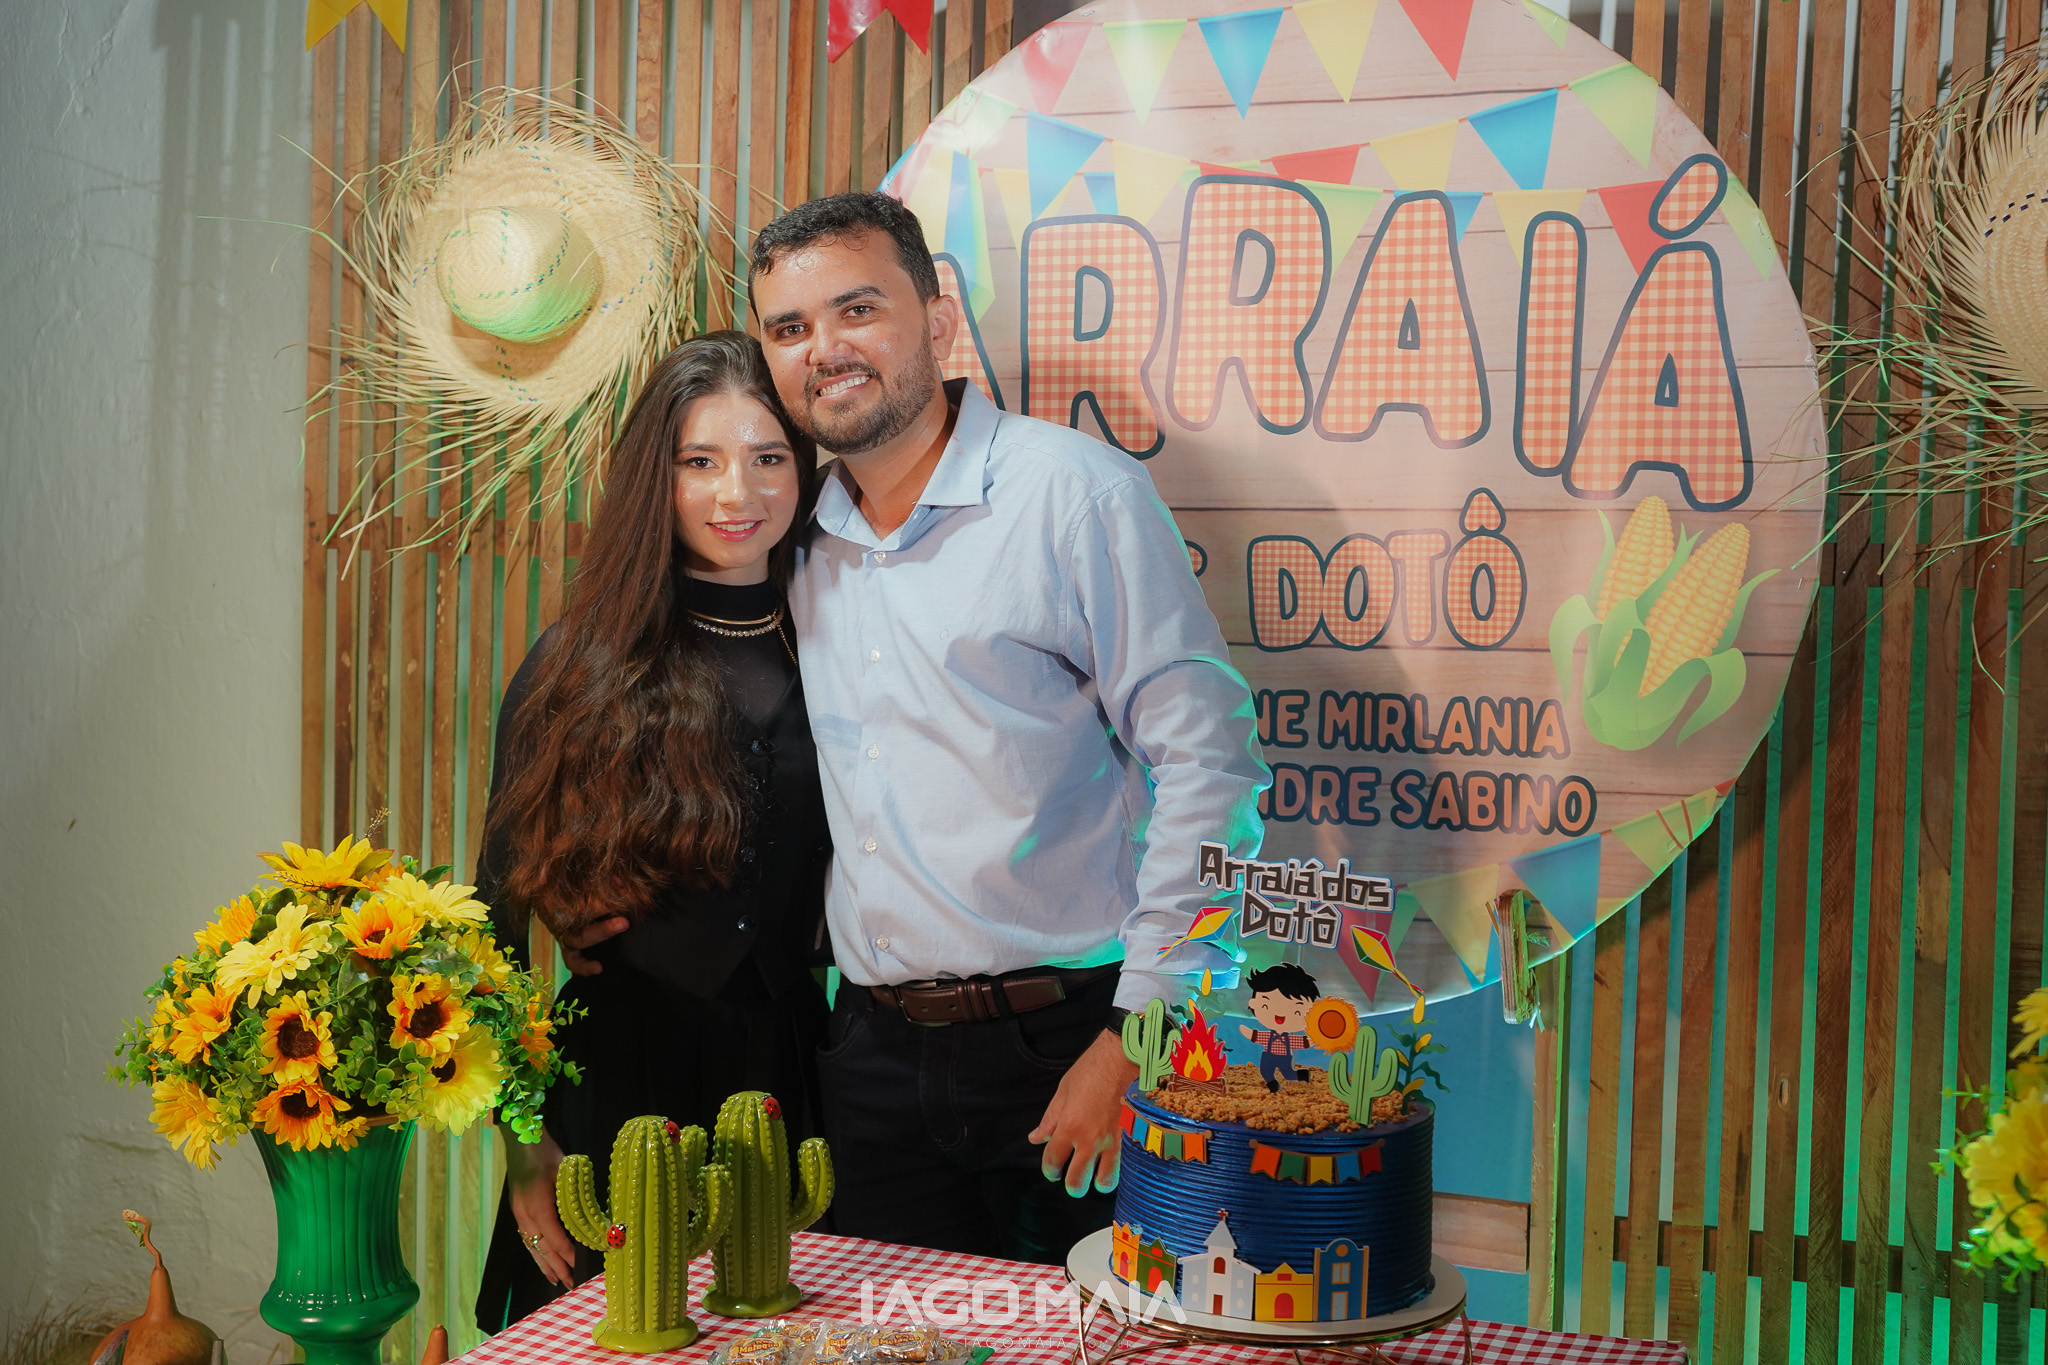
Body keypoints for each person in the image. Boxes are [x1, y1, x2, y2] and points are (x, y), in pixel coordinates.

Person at [747, 191, 1270, 1263]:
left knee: (1107, 1333)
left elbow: (1210, 765)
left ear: (938, 322)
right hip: (870, 1062)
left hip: (1072, 1042)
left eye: (857, 309)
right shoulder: (792, 538)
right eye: (789, 327)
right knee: (899, 1336)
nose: (823, 349)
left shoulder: (1073, 495)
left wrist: (1137, 1035)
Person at [470, 332, 830, 1330]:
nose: (736, 493)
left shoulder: (846, 645)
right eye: (698, 461)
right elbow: (490, 926)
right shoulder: (575, 662)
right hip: (614, 1092)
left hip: (788, 1079)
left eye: (768, 457)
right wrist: (522, 1142)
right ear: (653, 479)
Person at [1239, 963, 1320, 1092]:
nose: (1280, 1014)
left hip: (1285, 1058)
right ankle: (1272, 1084)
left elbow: (1300, 1042)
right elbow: (1259, 1036)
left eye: (1297, 1011)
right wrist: (1249, 1033)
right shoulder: (1269, 1036)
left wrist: (1314, 1040)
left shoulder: (1288, 1039)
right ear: (1253, 1003)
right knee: (1265, 1071)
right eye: (1266, 1005)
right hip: (1268, 1056)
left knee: (1288, 1074)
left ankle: (1302, 1075)